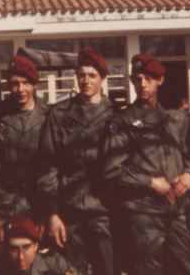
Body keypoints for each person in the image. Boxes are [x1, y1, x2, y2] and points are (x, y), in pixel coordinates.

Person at [101, 53, 190, 275]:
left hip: (175, 210)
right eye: (138, 79)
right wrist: (149, 182)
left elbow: (189, 157)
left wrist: (189, 175)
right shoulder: (123, 121)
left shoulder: (173, 119)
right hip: (143, 214)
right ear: (132, 81)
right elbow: (111, 171)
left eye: (148, 78)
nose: (143, 84)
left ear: (160, 80)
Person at [37, 48, 115, 275]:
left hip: (104, 211)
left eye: (92, 75)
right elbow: (47, 164)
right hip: (68, 211)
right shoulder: (60, 114)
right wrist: (52, 213)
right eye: (81, 75)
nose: (85, 81)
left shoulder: (116, 115)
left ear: (102, 78)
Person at [0, 55, 49, 249]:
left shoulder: (49, 116)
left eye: (25, 83)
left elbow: (53, 168)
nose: (20, 90)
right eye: (15, 84)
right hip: (5, 202)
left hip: (37, 202)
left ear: (34, 84)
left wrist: (48, 212)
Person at [0, 215, 77, 275]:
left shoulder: (52, 261)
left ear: (36, 246)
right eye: (14, 249)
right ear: (6, 248)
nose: (21, 256)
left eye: (26, 247)